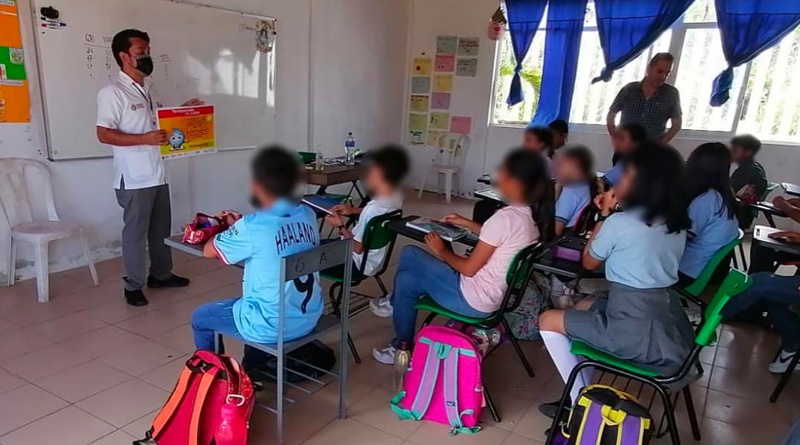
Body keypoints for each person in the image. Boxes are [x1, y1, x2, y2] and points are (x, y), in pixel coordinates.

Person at [538, 142, 693, 412]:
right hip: (665, 318)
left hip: (633, 328)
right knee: (582, 305)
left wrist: (603, 215)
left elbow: (588, 261)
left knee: (547, 320)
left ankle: (579, 403)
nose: (617, 182)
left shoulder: (620, 223)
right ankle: (585, 387)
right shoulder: (675, 223)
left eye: (626, 175)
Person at [371, 148, 549, 364]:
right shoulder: (528, 218)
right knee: (406, 281)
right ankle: (402, 346)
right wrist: (466, 223)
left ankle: (393, 307)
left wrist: (441, 250)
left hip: (471, 298)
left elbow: (468, 269)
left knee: (410, 253)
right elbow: (499, 238)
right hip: (493, 298)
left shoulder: (504, 218)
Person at [96, 29, 203, 306]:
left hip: (158, 172)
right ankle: (133, 285)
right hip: (133, 178)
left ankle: (161, 275)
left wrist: (183, 110)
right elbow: (104, 134)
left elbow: (158, 124)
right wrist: (144, 139)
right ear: (124, 56)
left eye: (148, 50)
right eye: (141, 51)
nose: (147, 56)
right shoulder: (112, 92)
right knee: (135, 234)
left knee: (160, 230)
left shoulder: (149, 89)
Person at [191, 146, 323, 351]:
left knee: (200, 318)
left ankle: (215, 370)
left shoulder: (252, 226)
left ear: (258, 185)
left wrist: (234, 229)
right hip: (308, 318)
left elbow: (209, 251)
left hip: (269, 326)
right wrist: (241, 228)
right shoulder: (308, 214)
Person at [321, 145, 409, 316]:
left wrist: (340, 226)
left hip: (355, 264)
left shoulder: (372, 210)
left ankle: (311, 306)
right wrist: (353, 210)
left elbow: (357, 247)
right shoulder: (395, 196)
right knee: (317, 245)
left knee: (307, 255)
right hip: (375, 261)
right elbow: (377, 216)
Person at [677, 143, 739, 286]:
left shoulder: (707, 200)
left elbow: (683, 237)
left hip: (688, 271)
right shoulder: (724, 196)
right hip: (707, 269)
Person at [606, 53, 682, 143]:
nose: (663, 77)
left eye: (667, 73)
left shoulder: (671, 94)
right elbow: (611, 116)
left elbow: (677, 124)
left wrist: (660, 145)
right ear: (649, 69)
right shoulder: (629, 90)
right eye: (659, 71)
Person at [553, 145, 597, 237]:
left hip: (563, 238)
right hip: (574, 236)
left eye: (561, 166)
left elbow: (556, 230)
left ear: (576, 169)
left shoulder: (570, 192)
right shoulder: (585, 186)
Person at [729, 134, 768, 230]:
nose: (731, 151)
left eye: (735, 149)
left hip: (735, 217)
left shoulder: (747, 172)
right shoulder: (755, 167)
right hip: (741, 216)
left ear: (748, 152)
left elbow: (731, 196)